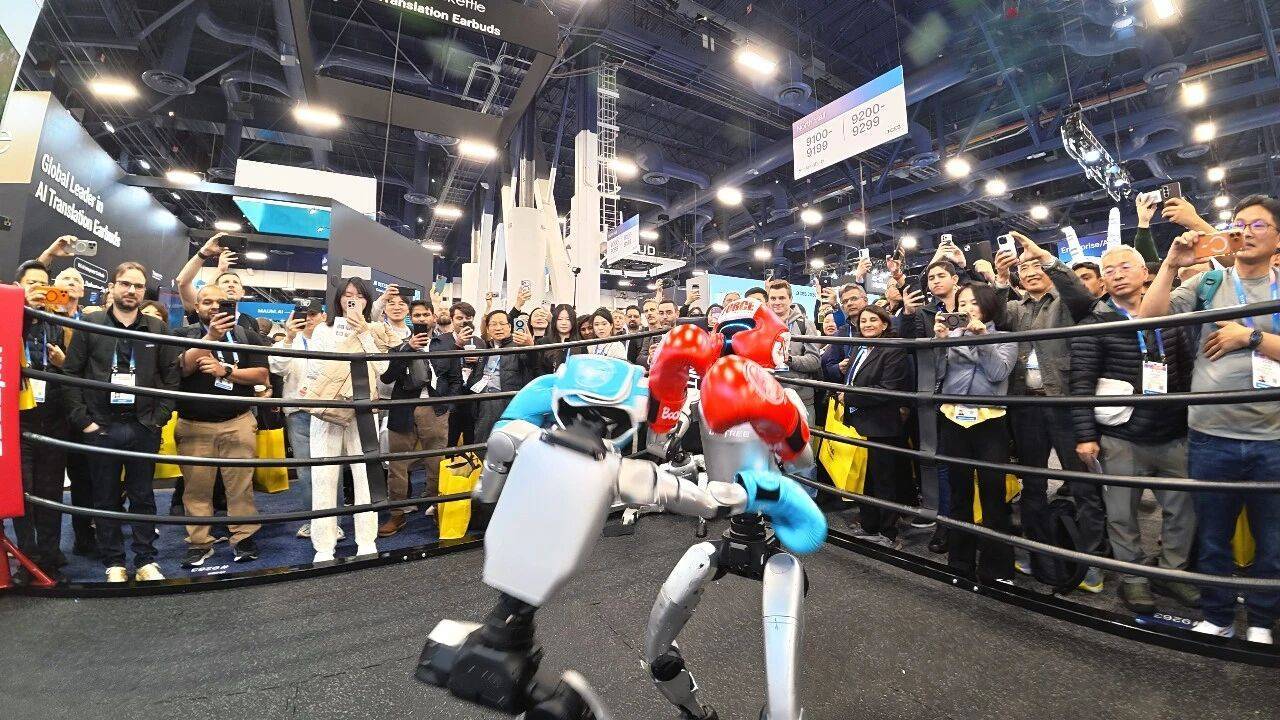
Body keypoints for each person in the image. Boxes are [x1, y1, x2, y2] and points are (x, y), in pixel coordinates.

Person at [1139, 194, 1280, 644]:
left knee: (1273, 540)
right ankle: (1218, 616)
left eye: (1258, 225)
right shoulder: (1209, 282)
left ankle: (1261, 621)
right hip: (1210, 434)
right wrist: (1170, 265)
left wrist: (1249, 336)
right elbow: (1147, 318)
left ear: (1278, 238)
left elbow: (1252, 339)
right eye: (1239, 223)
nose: (1246, 231)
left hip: (1273, 437)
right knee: (1214, 537)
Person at [1069, 245, 1198, 614]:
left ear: (1146, 273)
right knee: (1122, 514)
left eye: (1126, 266)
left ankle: (1173, 572)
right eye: (1109, 270)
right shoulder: (1094, 324)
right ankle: (1134, 577)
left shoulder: (1171, 313)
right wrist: (1085, 436)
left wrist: (1192, 421)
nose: (1117, 274)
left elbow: (1187, 371)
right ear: (1103, 282)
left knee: (1182, 511)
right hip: (1121, 437)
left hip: (1174, 432)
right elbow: (1081, 383)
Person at [993, 231, 1106, 592]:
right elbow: (994, 315)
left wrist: (1046, 257)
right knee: (1033, 484)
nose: (1029, 271)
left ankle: (1092, 561)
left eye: (1035, 265)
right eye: (1023, 267)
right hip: (1026, 406)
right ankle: (1037, 551)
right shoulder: (1015, 307)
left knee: (1083, 485)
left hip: (1065, 404)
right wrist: (1000, 279)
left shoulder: (1067, 302)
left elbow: (1082, 296)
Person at [62, 261, 181, 582]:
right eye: (125, 284)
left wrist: (157, 419)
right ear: (112, 287)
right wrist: (84, 421)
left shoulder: (157, 328)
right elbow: (71, 374)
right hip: (101, 426)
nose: (131, 290)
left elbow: (171, 377)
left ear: (144, 291)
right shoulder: (92, 324)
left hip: (143, 425)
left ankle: (145, 561)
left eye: (138, 286)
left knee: (143, 496)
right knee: (105, 497)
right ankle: (113, 562)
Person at [173, 285, 269, 568]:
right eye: (207, 301)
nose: (214, 306)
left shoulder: (246, 336)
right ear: (197, 307)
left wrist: (225, 371)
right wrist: (212, 337)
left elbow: (261, 375)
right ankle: (199, 542)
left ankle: (243, 537)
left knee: (240, 487)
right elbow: (182, 368)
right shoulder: (183, 335)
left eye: (221, 302)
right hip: (194, 425)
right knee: (196, 489)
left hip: (238, 421)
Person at [934, 283, 1019, 582]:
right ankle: (960, 563)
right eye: (962, 303)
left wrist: (981, 338)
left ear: (987, 305)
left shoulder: (1005, 338)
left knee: (994, 495)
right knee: (959, 493)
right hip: (953, 418)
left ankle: (998, 569)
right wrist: (939, 343)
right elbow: (938, 375)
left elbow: (997, 374)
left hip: (990, 421)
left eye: (973, 302)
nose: (968, 308)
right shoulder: (949, 336)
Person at [304, 278, 389, 563]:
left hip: (363, 410)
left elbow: (382, 367)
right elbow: (316, 367)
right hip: (328, 409)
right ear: (339, 298)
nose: (353, 300)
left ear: (368, 300)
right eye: (347, 295)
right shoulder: (323, 329)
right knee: (324, 476)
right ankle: (323, 545)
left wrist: (363, 332)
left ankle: (366, 540)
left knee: (364, 476)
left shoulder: (375, 329)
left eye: (359, 296)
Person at [378, 299, 462, 537]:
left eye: (426, 315)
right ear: (411, 319)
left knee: (436, 463)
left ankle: (436, 508)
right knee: (397, 465)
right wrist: (408, 350)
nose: (422, 319)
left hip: (435, 410)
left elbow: (455, 379)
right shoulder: (398, 345)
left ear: (433, 317)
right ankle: (397, 514)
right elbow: (387, 378)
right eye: (417, 316)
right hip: (403, 408)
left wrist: (447, 407)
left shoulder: (446, 345)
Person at [830, 306, 912, 547]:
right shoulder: (861, 346)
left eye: (873, 320)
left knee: (884, 479)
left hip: (882, 423)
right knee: (868, 477)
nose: (867, 324)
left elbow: (888, 389)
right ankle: (869, 524)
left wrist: (849, 397)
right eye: (863, 321)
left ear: (884, 324)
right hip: (862, 421)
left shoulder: (893, 348)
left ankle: (888, 532)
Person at [12, 260, 71, 580]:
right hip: (19, 421)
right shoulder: (10, 319)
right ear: (17, 287)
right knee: (24, 492)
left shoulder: (57, 323)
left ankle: (50, 553)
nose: (38, 289)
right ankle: (27, 556)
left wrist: (63, 363)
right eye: (31, 283)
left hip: (53, 419)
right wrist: (25, 308)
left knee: (51, 492)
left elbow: (72, 370)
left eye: (43, 283)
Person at [175, 234, 265, 340]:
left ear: (242, 292)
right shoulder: (204, 310)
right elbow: (183, 282)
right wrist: (205, 252)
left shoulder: (249, 321)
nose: (231, 285)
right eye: (225, 282)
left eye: (236, 282)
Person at [472, 309, 538, 442]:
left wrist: (531, 347)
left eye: (502, 324)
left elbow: (534, 363)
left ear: (510, 327)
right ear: (488, 329)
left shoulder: (519, 346)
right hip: (483, 400)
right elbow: (476, 378)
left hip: (508, 400)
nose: (498, 328)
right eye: (493, 324)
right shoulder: (485, 348)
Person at [766, 280, 822, 423]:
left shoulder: (805, 324)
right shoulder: (762, 325)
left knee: (804, 438)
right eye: (773, 298)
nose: (777, 302)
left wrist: (788, 359)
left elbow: (814, 361)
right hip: (769, 397)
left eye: (782, 298)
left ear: (790, 299)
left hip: (801, 398)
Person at [538, 304, 581, 373]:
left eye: (568, 319)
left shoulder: (581, 344)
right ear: (554, 321)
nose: (564, 323)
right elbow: (538, 368)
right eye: (559, 319)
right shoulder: (543, 342)